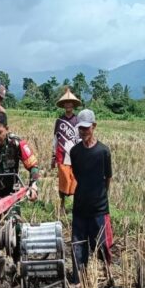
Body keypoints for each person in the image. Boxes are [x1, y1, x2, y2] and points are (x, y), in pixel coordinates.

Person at [69, 109, 113, 288]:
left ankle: (109, 277)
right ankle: (78, 280)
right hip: (80, 205)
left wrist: (101, 196)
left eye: (86, 129)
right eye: (80, 129)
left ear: (94, 127)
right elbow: (78, 175)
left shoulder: (103, 152)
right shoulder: (75, 152)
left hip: (99, 208)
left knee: (104, 245)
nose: (83, 132)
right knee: (78, 244)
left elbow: (107, 178)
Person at [0, 112, 39, 199]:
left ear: (7, 129)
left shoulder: (17, 144)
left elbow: (33, 166)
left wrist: (33, 186)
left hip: (13, 194)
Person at [51, 88, 82, 216]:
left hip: (75, 156)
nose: (68, 105)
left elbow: (80, 138)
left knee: (75, 180)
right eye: (66, 102)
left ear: (73, 105)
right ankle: (62, 204)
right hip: (62, 155)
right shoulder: (59, 121)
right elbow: (55, 139)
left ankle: (76, 205)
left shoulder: (78, 121)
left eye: (71, 102)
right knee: (63, 180)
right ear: (63, 105)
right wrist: (53, 156)